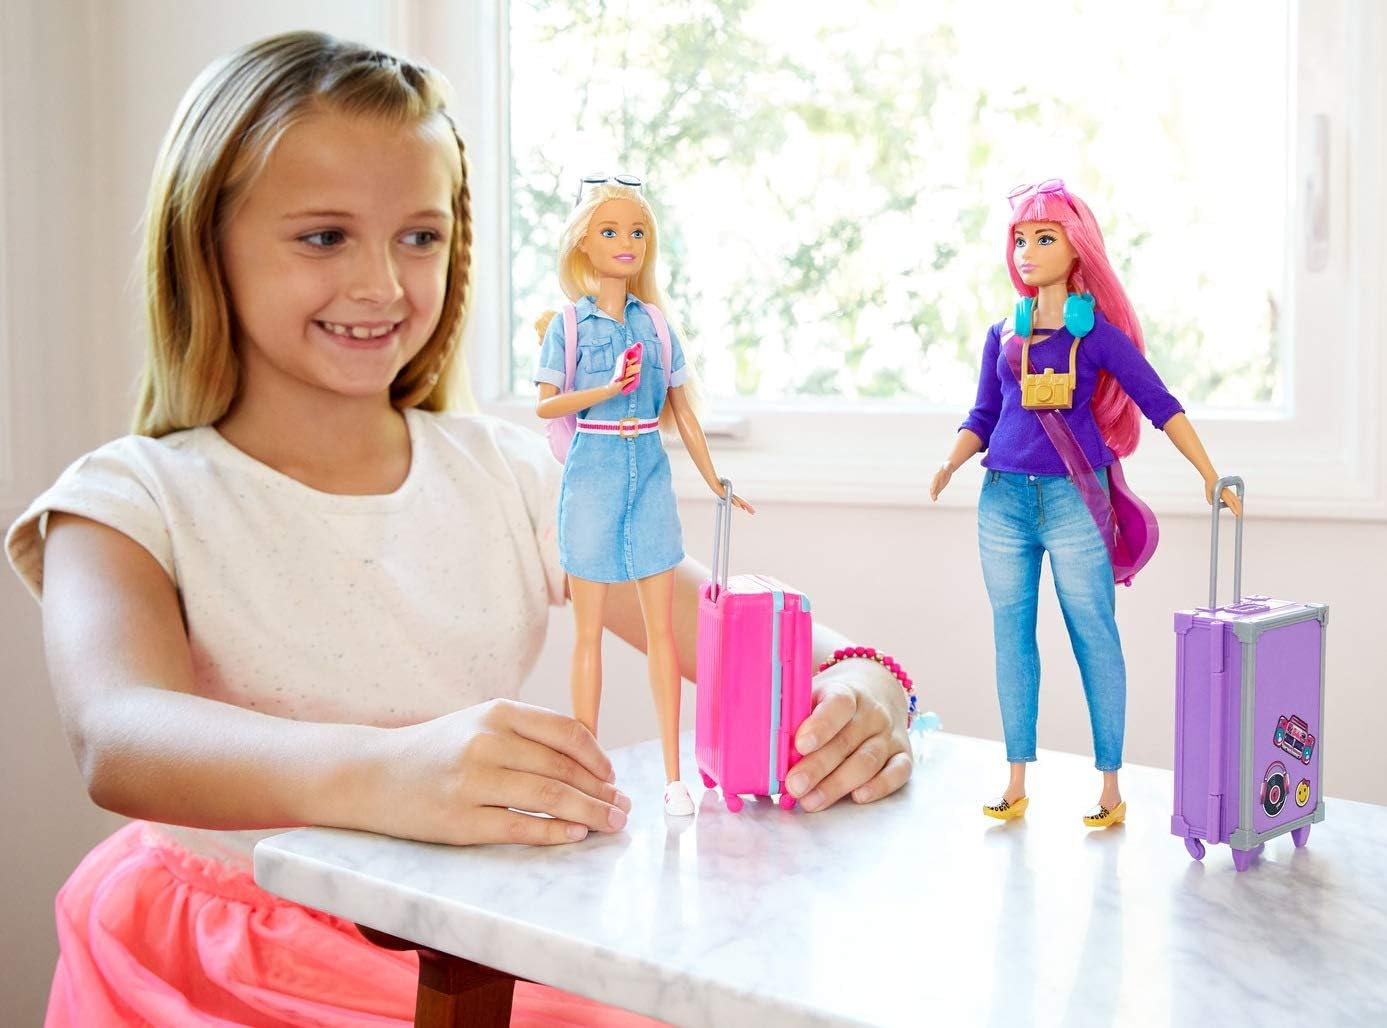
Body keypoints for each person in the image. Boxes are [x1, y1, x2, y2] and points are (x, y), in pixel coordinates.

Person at [5, 31, 913, 1025]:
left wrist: (863, 682)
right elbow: (118, 736)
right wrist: (389, 770)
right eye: (324, 237)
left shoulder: (512, 476)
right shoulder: (127, 499)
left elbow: (719, 627)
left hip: (471, 936)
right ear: (205, 245)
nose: (384, 284)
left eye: (419, 237)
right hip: (218, 960)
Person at [929, 179, 1240, 829]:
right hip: (1001, 499)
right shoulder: (1002, 335)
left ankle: (1110, 787)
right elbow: (983, 414)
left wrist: (1208, 473)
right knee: (1011, 637)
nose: (1026, 251)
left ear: (1078, 250)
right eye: (1019, 239)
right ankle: (1015, 780)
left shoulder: (1096, 335)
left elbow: (1159, 403)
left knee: (1093, 633)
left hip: (1075, 498)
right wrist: (951, 461)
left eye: (1043, 238)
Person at [533, 180, 752, 815]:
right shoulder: (569, 326)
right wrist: (606, 388)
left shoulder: (655, 323)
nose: (626, 243)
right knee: (589, 633)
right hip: (594, 471)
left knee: (665, 635)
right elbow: (546, 405)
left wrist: (713, 479)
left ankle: (673, 778)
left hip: (649, 471)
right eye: (610, 231)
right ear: (583, 242)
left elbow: (684, 410)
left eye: (637, 232)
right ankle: (587, 775)